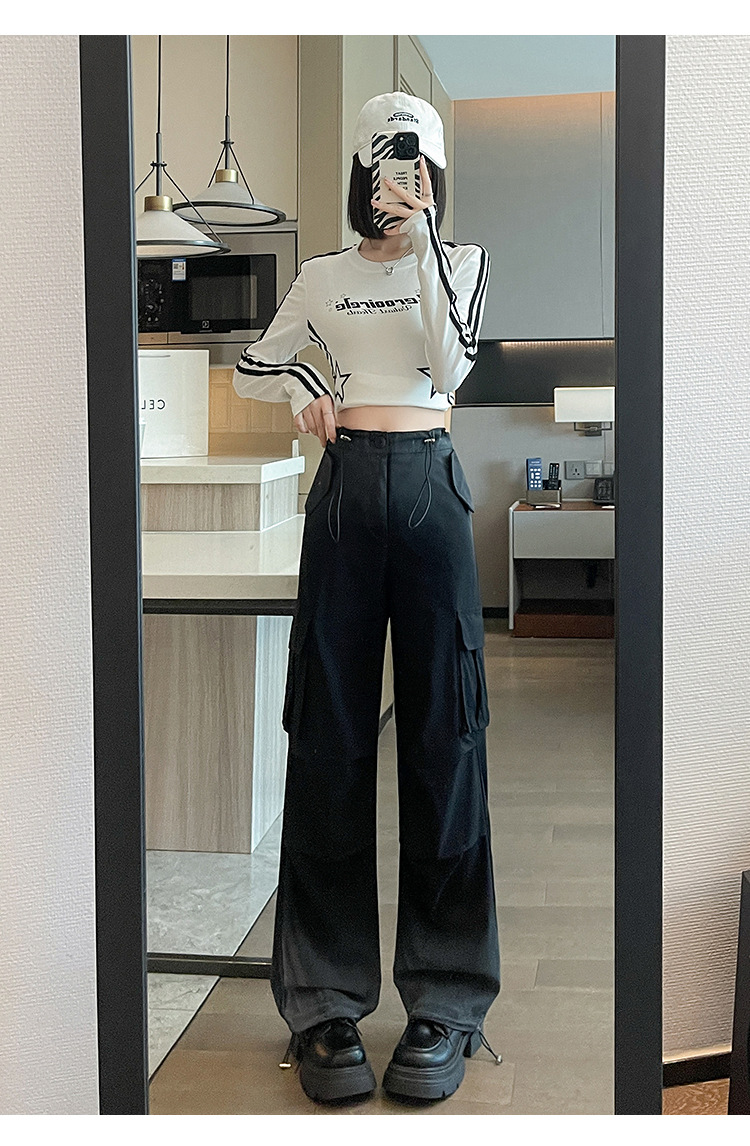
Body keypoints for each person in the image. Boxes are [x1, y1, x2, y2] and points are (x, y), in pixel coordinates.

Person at [233, 91, 501, 1105]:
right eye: (389, 161)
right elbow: (255, 365)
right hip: (346, 492)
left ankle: (448, 999)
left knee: (447, 742)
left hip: (431, 485)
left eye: (418, 161)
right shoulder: (321, 276)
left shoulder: (461, 263)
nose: (402, 176)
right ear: (361, 168)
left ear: (437, 171)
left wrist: (423, 237)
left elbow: (451, 360)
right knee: (329, 743)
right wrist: (308, 388)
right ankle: (324, 1003)